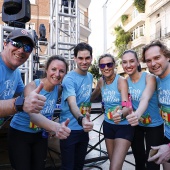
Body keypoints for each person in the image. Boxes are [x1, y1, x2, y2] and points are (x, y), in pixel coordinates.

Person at [8, 55, 71, 170]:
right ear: (46, 69)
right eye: (53, 69)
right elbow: (33, 116)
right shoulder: (32, 87)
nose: (57, 74)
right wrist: (55, 127)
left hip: (39, 136)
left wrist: (49, 126)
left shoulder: (59, 89)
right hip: (20, 134)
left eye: (61, 71)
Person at [121, 50, 164, 170]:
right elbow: (126, 103)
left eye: (131, 61)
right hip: (137, 126)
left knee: (152, 162)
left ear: (138, 62)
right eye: (125, 62)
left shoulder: (149, 77)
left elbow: (145, 97)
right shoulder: (125, 81)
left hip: (155, 126)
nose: (128, 65)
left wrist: (137, 114)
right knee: (139, 160)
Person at [91, 53, 134, 170]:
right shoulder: (100, 82)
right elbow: (91, 97)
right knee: (113, 163)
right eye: (102, 65)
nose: (106, 68)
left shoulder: (121, 81)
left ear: (114, 65)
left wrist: (120, 114)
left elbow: (127, 106)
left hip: (124, 127)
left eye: (109, 64)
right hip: (108, 125)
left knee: (114, 167)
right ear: (99, 67)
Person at [59, 42, 94, 170]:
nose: (84, 61)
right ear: (75, 58)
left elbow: (88, 97)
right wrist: (81, 119)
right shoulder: (69, 79)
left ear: (91, 58)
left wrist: (101, 87)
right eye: (80, 58)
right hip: (69, 130)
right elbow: (72, 102)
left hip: (83, 130)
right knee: (68, 167)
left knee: (79, 166)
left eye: (87, 58)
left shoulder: (90, 76)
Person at [0, 28, 46, 118]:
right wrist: (19, 104)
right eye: (16, 44)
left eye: (27, 47)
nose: (21, 50)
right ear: (5, 44)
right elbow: (23, 102)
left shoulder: (16, 72)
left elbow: (24, 93)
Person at [142, 40, 170, 170]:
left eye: (157, 57)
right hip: (167, 137)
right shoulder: (156, 81)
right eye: (148, 60)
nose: (153, 63)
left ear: (167, 56)